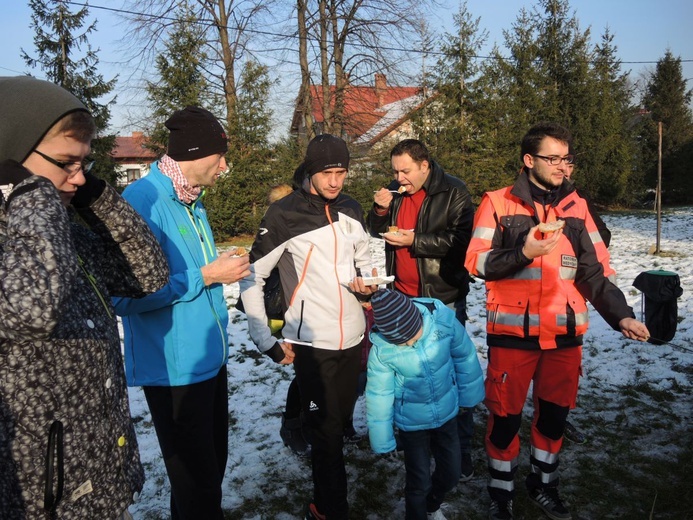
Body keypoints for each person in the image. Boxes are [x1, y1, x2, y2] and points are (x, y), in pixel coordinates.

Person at [0, 76, 169, 519]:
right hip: (41, 502)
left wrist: (95, 196)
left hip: (101, 481)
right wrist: (32, 192)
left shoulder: (62, 233)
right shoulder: (23, 238)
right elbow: (30, 310)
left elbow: (148, 276)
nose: (78, 177)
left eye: (85, 164)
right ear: (10, 163)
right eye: (66, 163)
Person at [464, 121, 650, 520]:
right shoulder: (498, 203)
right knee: (504, 421)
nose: (562, 166)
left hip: (565, 337)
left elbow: (595, 272)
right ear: (529, 160)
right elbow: (476, 261)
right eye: (552, 158)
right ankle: (501, 493)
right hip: (513, 336)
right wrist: (524, 251)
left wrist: (623, 317)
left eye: (566, 158)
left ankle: (543, 484)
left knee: (553, 420)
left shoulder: (577, 207)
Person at [112, 106, 251, 520]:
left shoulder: (192, 200)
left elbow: (186, 271)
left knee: (208, 478)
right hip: (174, 371)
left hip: (208, 361)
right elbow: (124, 296)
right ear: (193, 153)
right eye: (219, 155)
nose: (225, 166)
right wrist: (207, 276)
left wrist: (213, 269)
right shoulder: (143, 201)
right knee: (196, 483)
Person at [239, 134, 377, 520]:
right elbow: (251, 276)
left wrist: (366, 281)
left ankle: (305, 433)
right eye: (327, 173)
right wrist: (264, 339)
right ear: (310, 171)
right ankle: (329, 507)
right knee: (327, 430)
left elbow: (365, 257)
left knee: (339, 420)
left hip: (351, 337)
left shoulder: (351, 207)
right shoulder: (283, 214)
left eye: (342, 172)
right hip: (310, 342)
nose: (335, 181)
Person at [367, 138, 477, 481]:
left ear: (425, 165)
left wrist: (414, 241)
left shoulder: (454, 192)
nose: (399, 178)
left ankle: (461, 449)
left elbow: (462, 244)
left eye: (406, 171)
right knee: (403, 377)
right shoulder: (394, 191)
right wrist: (380, 211)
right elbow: (375, 232)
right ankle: (413, 438)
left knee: (450, 374)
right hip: (401, 299)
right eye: (395, 170)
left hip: (440, 297)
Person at [366, 290, 484, 520]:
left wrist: (468, 398)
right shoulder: (382, 351)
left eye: (412, 336)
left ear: (419, 318)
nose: (410, 343)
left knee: (452, 472)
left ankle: (433, 504)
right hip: (412, 423)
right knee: (418, 480)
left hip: (447, 413)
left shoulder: (443, 320)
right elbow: (378, 395)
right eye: (401, 341)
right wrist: (383, 439)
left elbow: (465, 356)